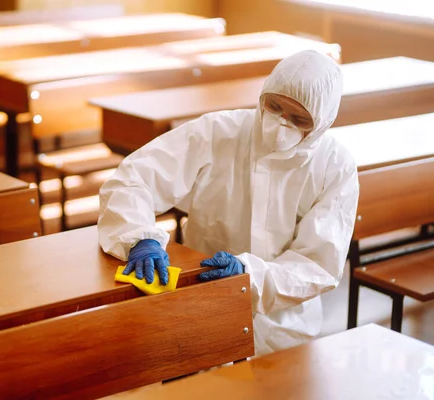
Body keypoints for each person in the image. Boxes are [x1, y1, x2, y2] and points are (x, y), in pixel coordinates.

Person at [97, 49, 360, 356]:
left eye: (299, 118)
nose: (281, 123)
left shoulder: (334, 167)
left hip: (284, 327)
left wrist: (251, 275)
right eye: (274, 106)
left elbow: (318, 263)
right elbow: (133, 179)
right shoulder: (218, 132)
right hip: (202, 301)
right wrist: (139, 237)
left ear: (322, 122)